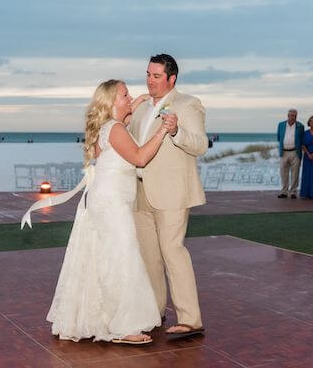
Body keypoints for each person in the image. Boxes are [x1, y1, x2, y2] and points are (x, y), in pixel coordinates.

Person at [26, 80, 167, 344]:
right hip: (112, 202)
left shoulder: (109, 127)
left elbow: (119, 134)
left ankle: (102, 319)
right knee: (121, 257)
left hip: (105, 200)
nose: (131, 96)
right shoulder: (115, 129)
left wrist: (132, 107)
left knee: (102, 256)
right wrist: (162, 131)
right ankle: (124, 328)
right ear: (113, 101)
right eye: (126, 95)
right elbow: (139, 158)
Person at [129, 54, 208, 338]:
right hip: (140, 191)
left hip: (172, 192)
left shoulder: (188, 104)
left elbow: (200, 145)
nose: (149, 80)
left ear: (171, 79)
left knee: (173, 253)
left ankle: (190, 319)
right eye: (148, 74)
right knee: (149, 257)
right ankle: (154, 311)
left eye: (156, 76)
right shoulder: (139, 108)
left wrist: (177, 131)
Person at [276, 109, 304, 199]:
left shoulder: (300, 126)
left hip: (295, 152)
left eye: (295, 116)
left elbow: (302, 139)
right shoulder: (281, 125)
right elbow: (279, 138)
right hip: (284, 152)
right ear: (288, 116)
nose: (293, 117)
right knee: (283, 173)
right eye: (291, 115)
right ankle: (284, 191)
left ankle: (293, 192)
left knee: (295, 173)